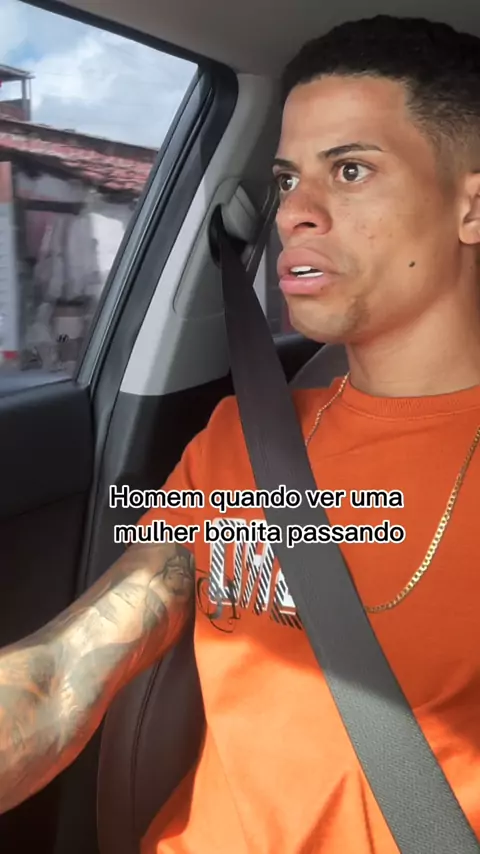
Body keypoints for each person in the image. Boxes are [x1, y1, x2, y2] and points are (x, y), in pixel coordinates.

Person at [2, 13, 480, 853]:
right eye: (287, 178)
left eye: (352, 170)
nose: (294, 212)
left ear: (470, 206)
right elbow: (73, 662)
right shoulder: (241, 437)